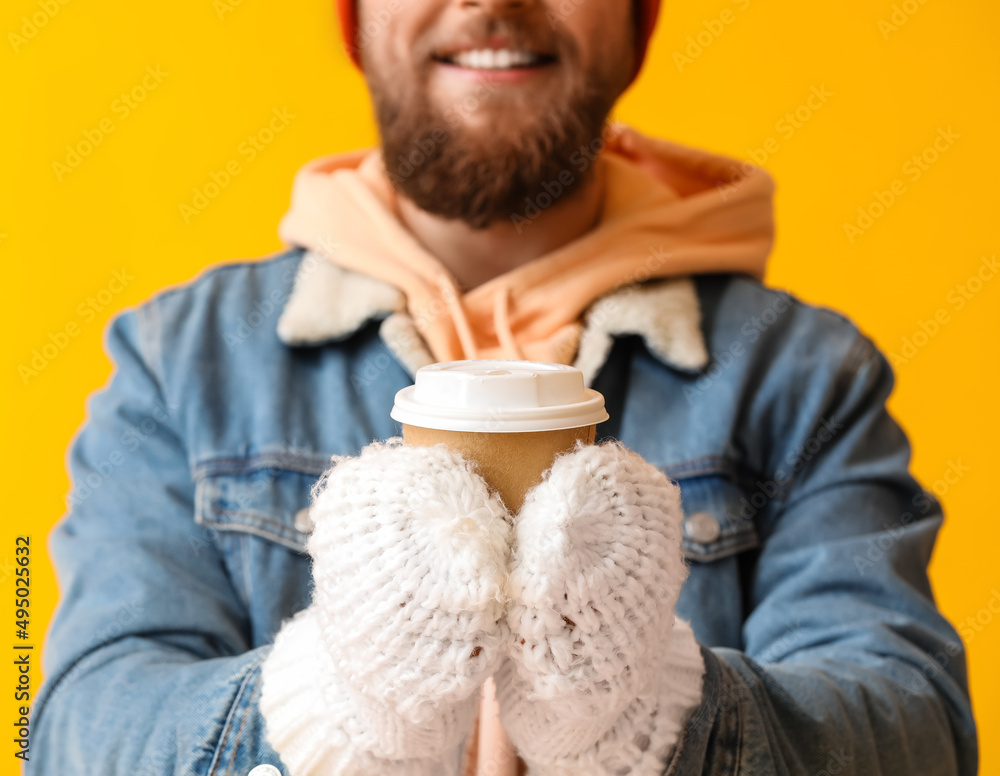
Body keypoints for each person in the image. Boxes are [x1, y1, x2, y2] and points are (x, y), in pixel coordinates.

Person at [30, 0, 978, 774]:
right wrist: (334, 705)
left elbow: (921, 731)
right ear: (353, 18)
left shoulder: (803, 376)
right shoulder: (177, 360)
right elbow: (75, 733)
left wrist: (656, 715)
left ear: (641, 21)